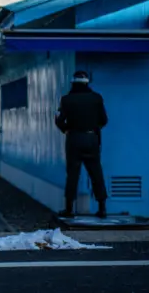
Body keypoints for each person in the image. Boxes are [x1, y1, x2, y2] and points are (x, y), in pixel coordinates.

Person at [55, 70, 108, 219]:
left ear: (73, 83)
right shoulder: (97, 98)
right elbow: (104, 120)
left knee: (72, 174)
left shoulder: (66, 100)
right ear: (87, 83)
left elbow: (59, 120)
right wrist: (93, 129)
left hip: (74, 139)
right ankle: (102, 208)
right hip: (91, 139)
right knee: (96, 173)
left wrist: (66, 129)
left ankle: (69, 209)